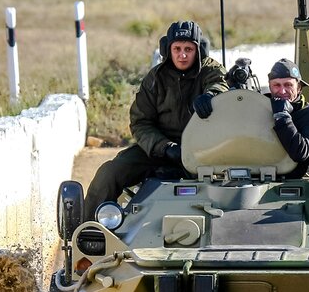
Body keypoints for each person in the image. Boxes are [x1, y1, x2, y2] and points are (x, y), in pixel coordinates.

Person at [83, 20, 228, 218]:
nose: (182, 55)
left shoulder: (210, 69)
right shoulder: (155, 78)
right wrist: (166, 147)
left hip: (205, 150)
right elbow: (140, 122)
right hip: (160, 149)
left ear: (199, 50)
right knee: (109, 173)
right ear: (167, 49)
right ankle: (89, 231)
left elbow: (220, 84)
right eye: (177, 49)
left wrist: (211, 96)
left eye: (188, 49)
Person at [265, 59, 309, 179]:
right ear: (270, 87)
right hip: (250, 179)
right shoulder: (260, 108)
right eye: (276, 85)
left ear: (299, 88)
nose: (282, 91)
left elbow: (301, 153)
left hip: (289, 183)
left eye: (288, 85)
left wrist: (282, 116)